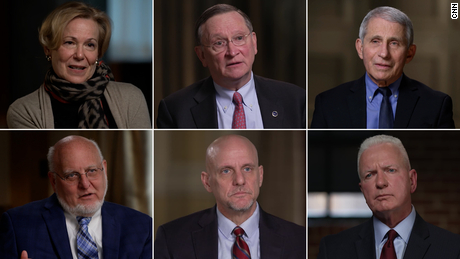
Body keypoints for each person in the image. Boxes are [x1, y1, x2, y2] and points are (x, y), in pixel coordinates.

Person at [0, 135, 152, 258]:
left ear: (104, 170)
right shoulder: (17, 225)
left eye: (92, 171)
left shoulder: (142, 226)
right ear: (53, 181)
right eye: (72, 175)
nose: (85, 184)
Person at [154, 134, 305, 258]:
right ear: (207, 182)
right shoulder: (172, 239)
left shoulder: (299, 240)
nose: (239, 180)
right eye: (226, 171)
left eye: (247, 169)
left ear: (260, 175)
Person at [156, 4, 306, 129]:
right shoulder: (174, 110)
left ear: (254, 43)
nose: (232, 52)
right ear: (202, 55)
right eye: (219, 43)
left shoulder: (295, 100)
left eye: (239, 38)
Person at [7, 1, 151, 129]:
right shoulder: (23, 111)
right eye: (70, 42)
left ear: (98, 53)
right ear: (48, 49)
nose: (80, 55)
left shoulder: (131, 98)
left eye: (90, 45)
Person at [318, 135, 460, 258]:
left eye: (390, 170)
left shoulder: (453, 249)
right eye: (370, 175)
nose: (380, 182)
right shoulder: (332, 250)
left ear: (412, 181)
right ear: (362, 190)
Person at [311, 6, 455, 129]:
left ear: (410, 54)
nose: (384, 53)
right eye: (375, 41)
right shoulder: (328, 104)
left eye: (394, 43)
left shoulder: (436, 106)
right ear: (360, 48)